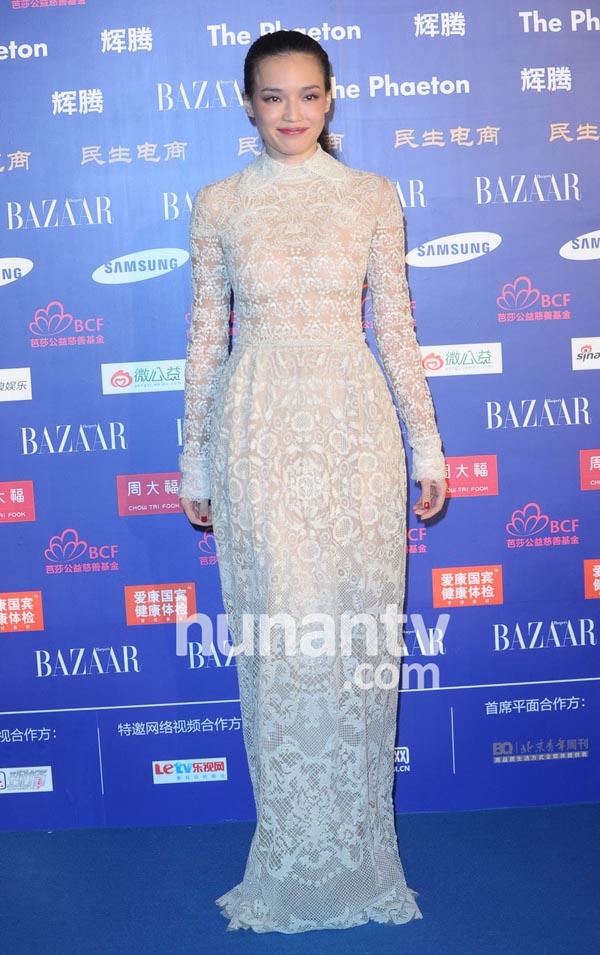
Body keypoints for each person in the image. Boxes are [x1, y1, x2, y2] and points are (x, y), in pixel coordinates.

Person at [178, 29, 447, 934]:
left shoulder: (371, 196)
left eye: (307, 94)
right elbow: (205, 336)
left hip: (352, 427)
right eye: (272, 96)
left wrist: (426, 447)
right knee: (283, 641)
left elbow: (397, 326)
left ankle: (361, 854)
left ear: (331, 99)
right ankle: (292, 853)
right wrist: (195, 457)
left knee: (358, 638)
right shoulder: (219, 203)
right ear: (247, 103)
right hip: (256, 431)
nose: (290, 113)